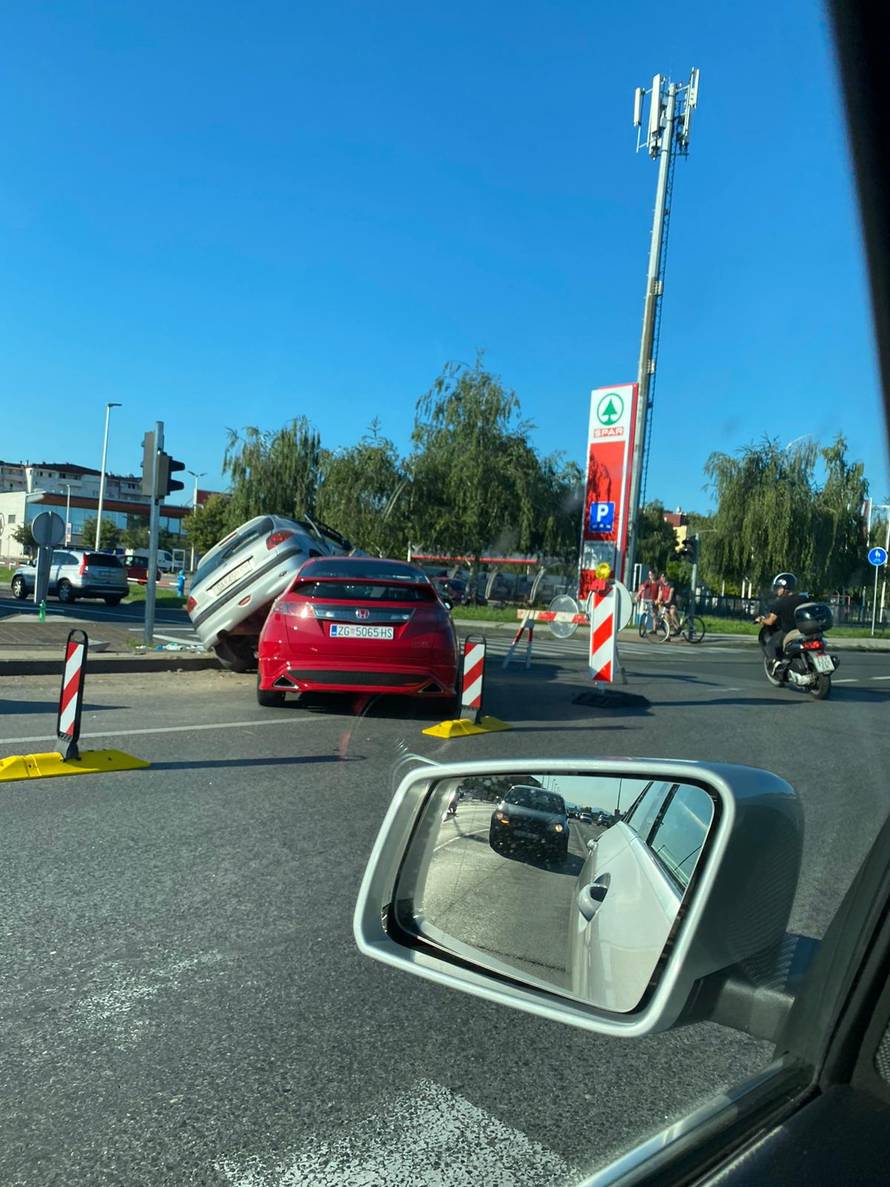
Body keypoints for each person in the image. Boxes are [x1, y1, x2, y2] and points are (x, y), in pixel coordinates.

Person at [756, 572, 810, 672]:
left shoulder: (780, 603)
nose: (777, 590)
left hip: (789, 632)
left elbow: (771, 621)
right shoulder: (803, 598)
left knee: (770, 645)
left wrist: (761, 619)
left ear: (785, 587)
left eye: (779, 587)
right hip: (806, 629)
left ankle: (777, 664)